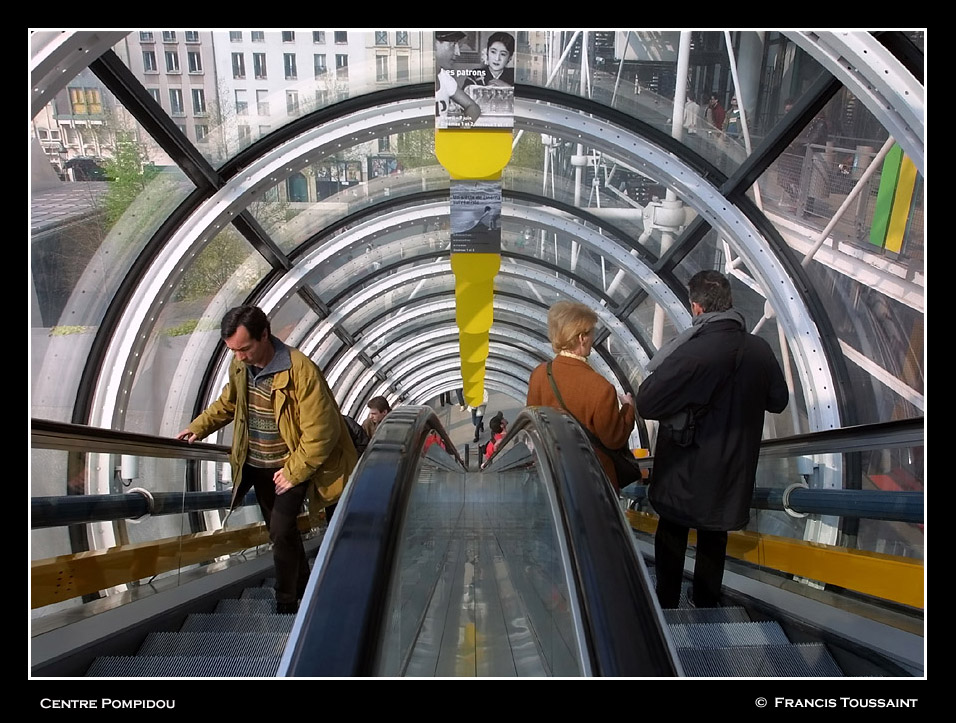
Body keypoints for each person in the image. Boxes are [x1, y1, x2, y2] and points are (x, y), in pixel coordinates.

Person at [176, 305, 357, 615]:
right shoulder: (240, 367)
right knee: (281, 531)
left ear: (265, 335)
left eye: (245, 348)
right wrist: (198, 428)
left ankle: (286, 600)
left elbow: (321, 431)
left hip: (292, 464)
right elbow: (228, 403)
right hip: (257, 465)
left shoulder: (301, 371)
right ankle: (302, 585)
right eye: (233, 350)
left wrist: (295, 471)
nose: (240, 356)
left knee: (281, 529)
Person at [634, 271, 789, 609]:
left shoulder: (692, 352)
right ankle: (706, 602)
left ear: (697, 307)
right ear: (729, 302)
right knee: (714, 536)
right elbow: (779, 400)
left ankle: (667, 602)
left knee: (672, 531)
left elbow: (646, 402)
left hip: (684, 467)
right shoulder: (759, 350)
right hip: (731, 470)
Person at [526, 301, 635, 491]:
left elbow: (532, 422)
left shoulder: (540, 374)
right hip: (592, 480)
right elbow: (614, 438)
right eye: (592, 332)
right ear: (582, 338)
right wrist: (628, 408)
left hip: (553, 474)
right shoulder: (600, 387)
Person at [435, 31, 481, 127]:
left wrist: (463, 128)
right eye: (453, 45)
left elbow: (473, 107)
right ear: (434, 44)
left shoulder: (445, 79)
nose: (458, 53)